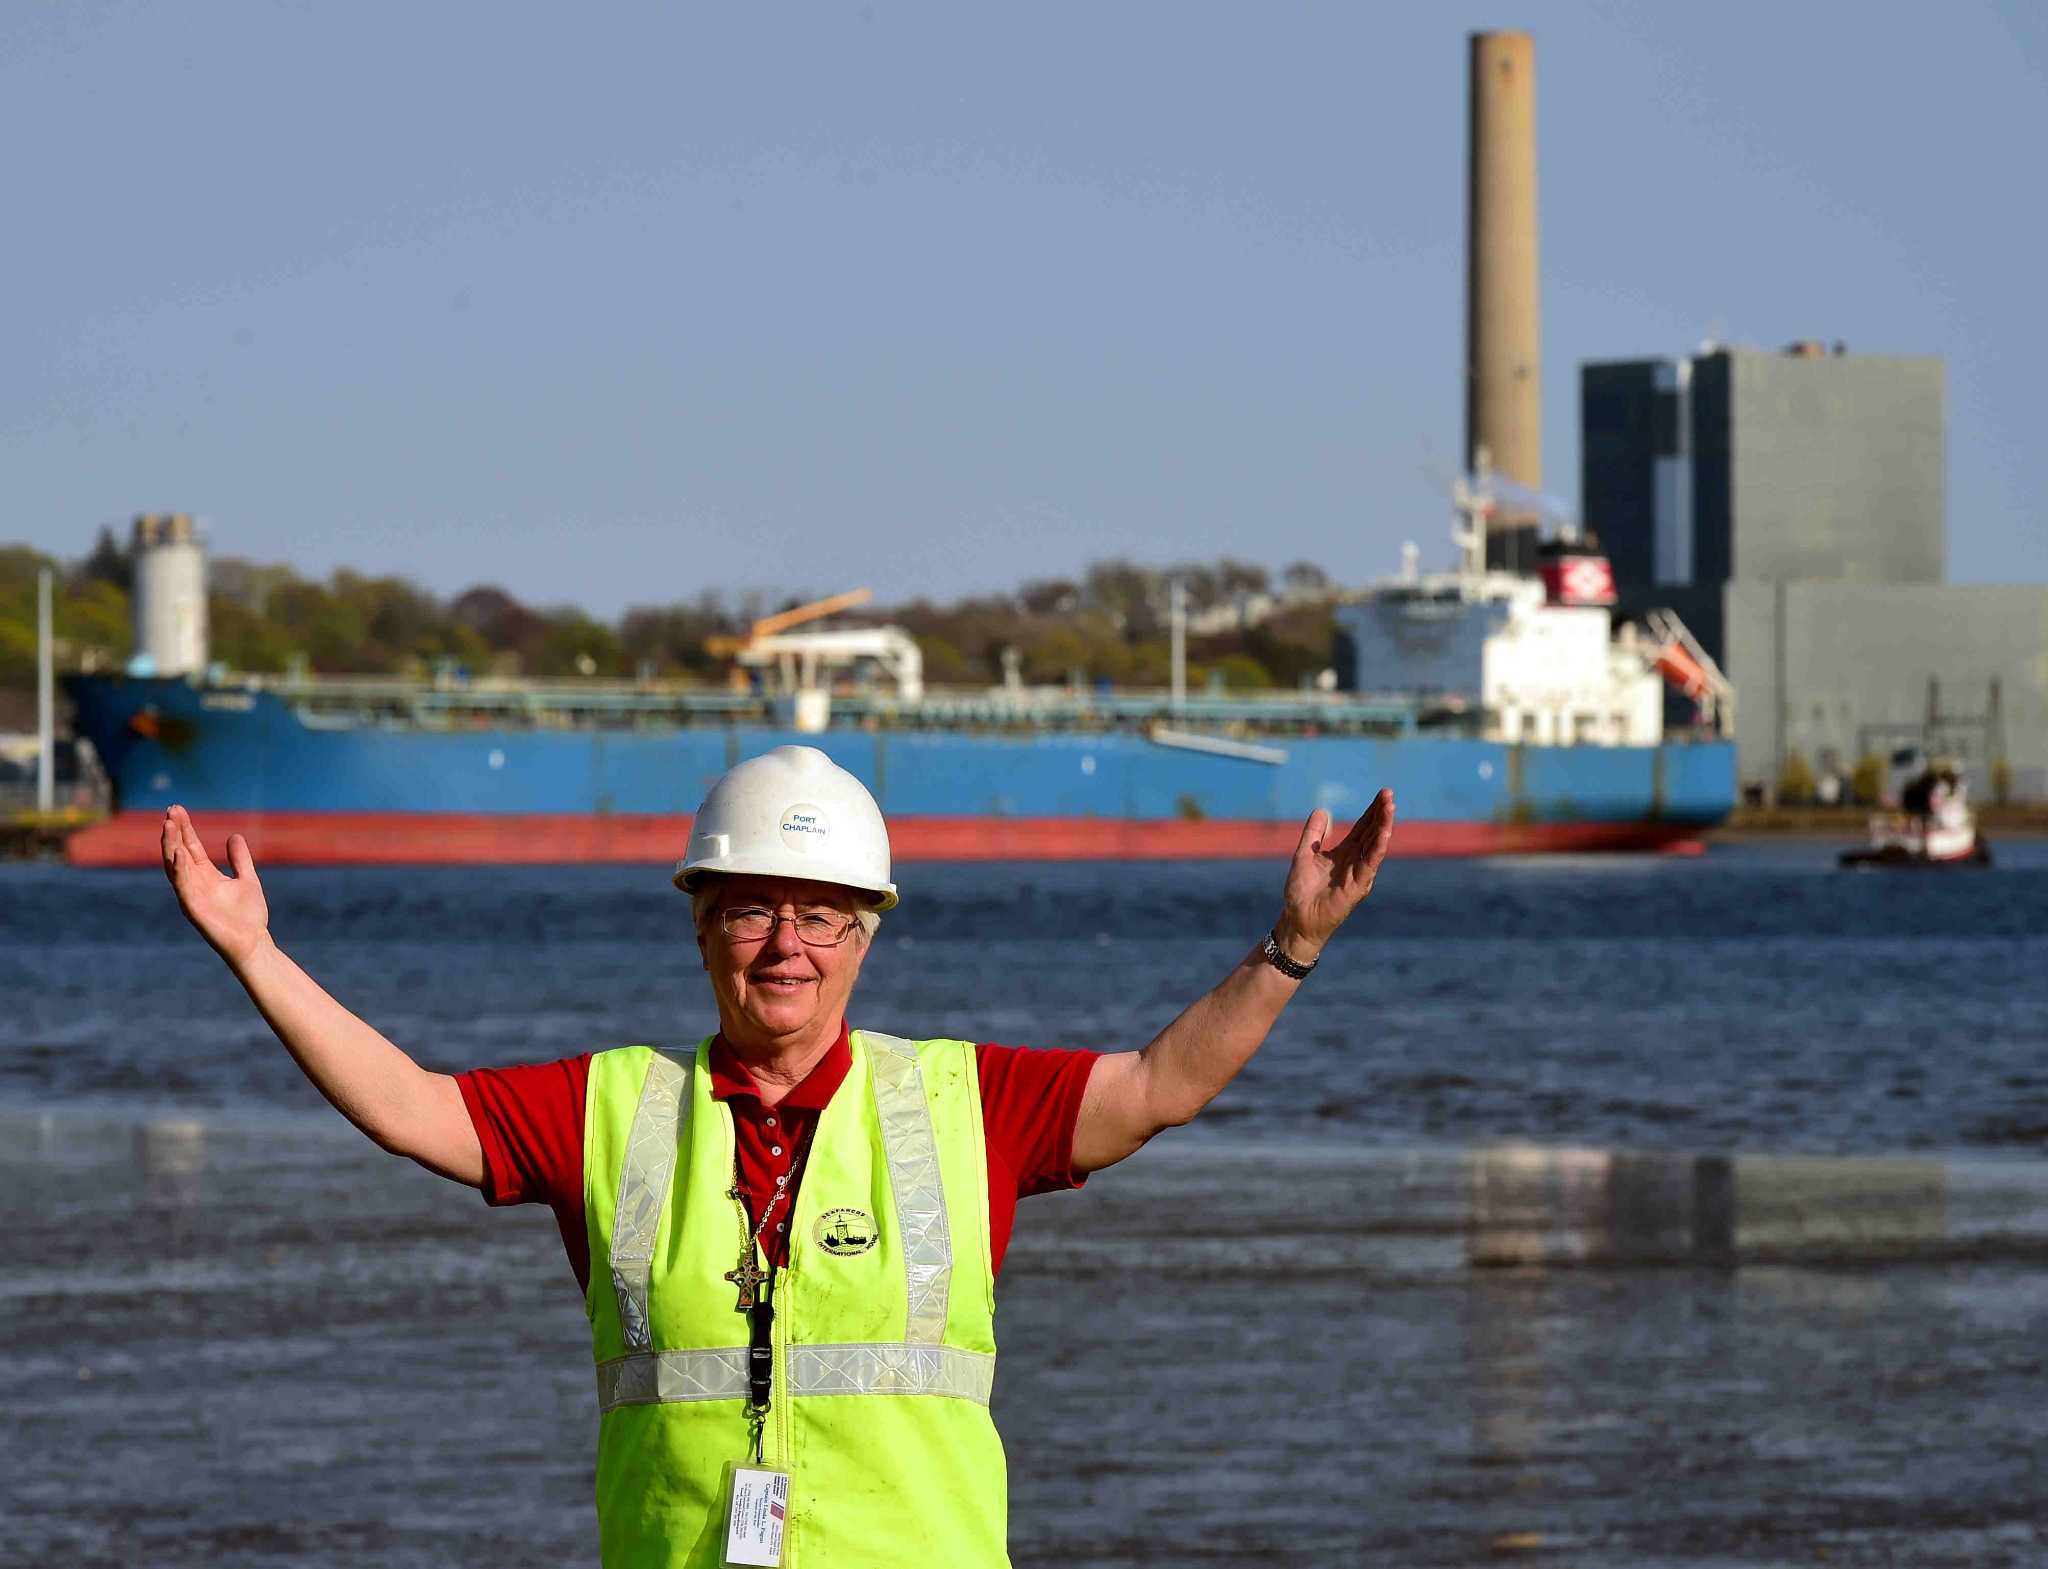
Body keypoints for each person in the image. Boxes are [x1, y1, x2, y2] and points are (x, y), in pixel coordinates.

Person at [162, 744, 1395, 1568]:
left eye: (819, 915)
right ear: (703, 927)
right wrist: (255, 954)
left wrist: (1289, 946)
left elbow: (1158, 1084)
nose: (784, 946)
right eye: (751, 910)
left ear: (866, 937)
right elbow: (409, 1106)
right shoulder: (610, 1107)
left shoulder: (965, 1100)